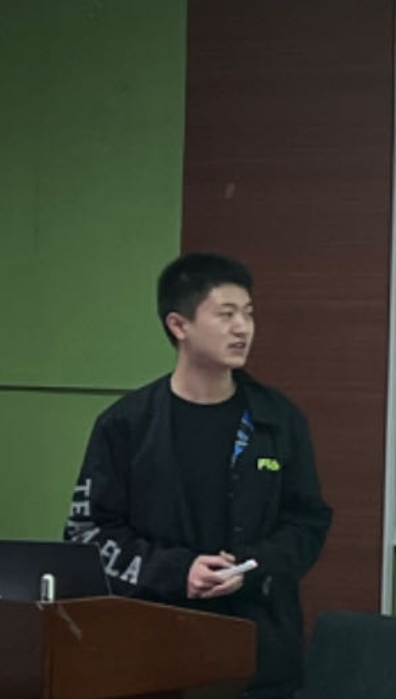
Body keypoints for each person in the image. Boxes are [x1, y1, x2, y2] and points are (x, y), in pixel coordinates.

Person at [64, 252, 333, 698]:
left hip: (259, 651)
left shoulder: (278, 420)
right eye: (226, 315)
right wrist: (177, 571)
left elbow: (307, 522)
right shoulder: (127, 424)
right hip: (151, 651)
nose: (243, 328)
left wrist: (250, 566)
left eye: (248, 314)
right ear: (179, 325)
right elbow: (87, 533)